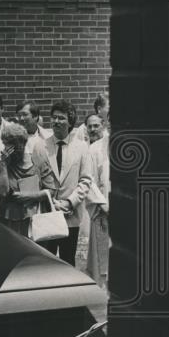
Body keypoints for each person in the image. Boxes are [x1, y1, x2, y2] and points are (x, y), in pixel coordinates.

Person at [40, 100, 92, 265]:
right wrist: (50, 201)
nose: (55, 121)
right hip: (47, 213)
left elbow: (85, 180)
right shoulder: (40, 146)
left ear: (70, 122)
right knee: (46, 262)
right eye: (54, 117)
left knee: (68, 262)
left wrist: (69, 203)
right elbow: (35, 179)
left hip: (71, 215)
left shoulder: (82, 147)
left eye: (61, 118)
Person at [0, 123, 56, 237]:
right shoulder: (1, 165)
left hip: (34, 221)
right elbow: (1, 193)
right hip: (9, 221)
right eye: (6, 145)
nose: (10, 150)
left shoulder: (38, 162)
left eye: (14, 145)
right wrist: (3, 166)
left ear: (23, 143)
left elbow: (52, 190)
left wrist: (29, 196)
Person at [86, 128, 110, 289]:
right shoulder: (95, 149)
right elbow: (88, 179)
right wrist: (103, 204)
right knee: (103, 263)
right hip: (103, 209)